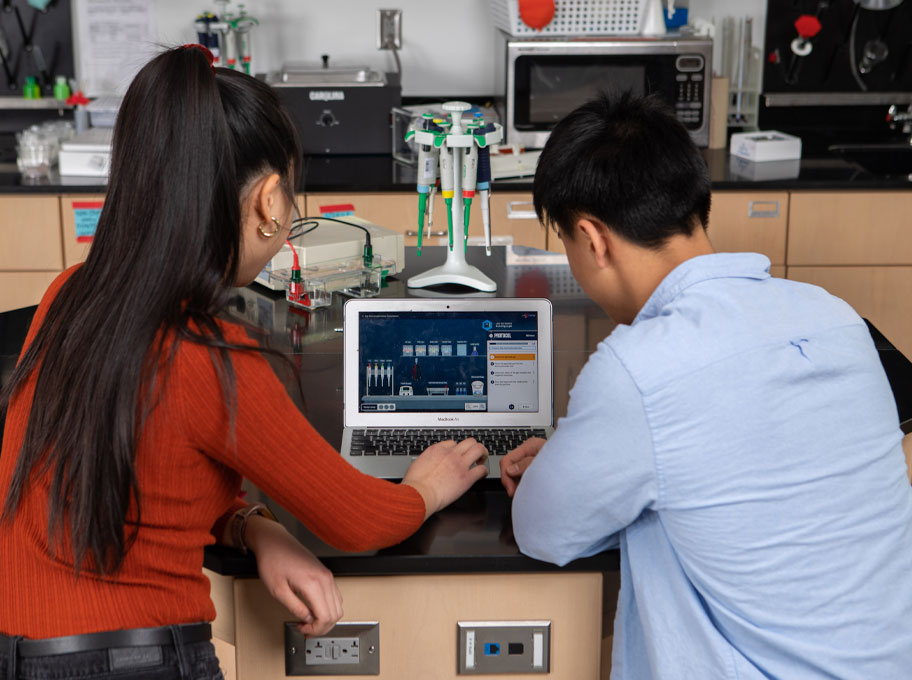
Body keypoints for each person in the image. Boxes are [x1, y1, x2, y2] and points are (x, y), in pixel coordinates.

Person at [0, 46, 488, 680]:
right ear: (266, 203)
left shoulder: (70, 294)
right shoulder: (210, 357)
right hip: (133, 660)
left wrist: (255, 527)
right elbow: (356, 518)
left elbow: (146, 481)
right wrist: (427, 486)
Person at [500, 93, 912, 679]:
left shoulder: (637, 367)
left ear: (592, 240)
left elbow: (544, 531)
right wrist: (592, 460)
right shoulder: (836, 316)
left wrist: (567, 471)